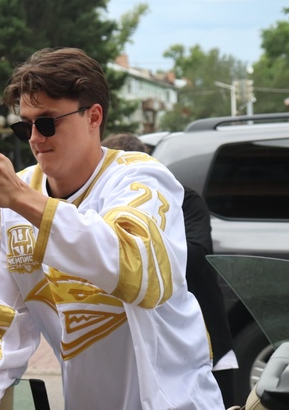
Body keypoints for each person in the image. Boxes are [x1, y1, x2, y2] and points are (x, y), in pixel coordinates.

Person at [0, 47, 225, 409]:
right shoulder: (12, 204)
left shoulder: (141, 179)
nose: (36, 138)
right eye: (26, 126)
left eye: (48, 123)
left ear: (94, 116)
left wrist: (22, 199)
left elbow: (135, 268)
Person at [102, 132, 238, 407]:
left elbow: (197, 254)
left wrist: (137, 254)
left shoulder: (184, 199)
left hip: (201, 334)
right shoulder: (100, 205)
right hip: (138, 343)